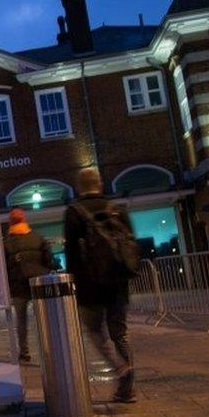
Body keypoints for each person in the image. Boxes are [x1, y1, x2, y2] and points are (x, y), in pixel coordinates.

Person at [64, 167, 138, 403]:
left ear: (79, 187)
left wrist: (74, 283)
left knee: (95, 330)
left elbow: (71, 254)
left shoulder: (74, 212)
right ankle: (128, 383)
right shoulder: (116, 209)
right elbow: (130, 244)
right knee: (120, 333)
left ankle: (119, 367)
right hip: (118, 282)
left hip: (90, 285)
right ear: (101, 184)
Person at [4, 207, 57, 362]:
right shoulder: (38, 238)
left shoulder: (6, 243)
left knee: (21, 320)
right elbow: (49, 260)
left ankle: (24, 352)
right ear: (25, 220)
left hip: (18, 286)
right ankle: (47, 349)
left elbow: (4, 267)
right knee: (43, 319)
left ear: (10, 223)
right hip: (39, 285)